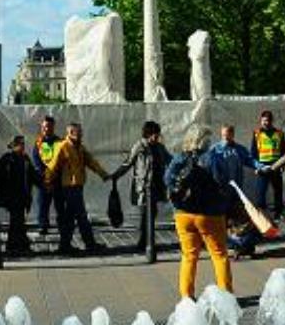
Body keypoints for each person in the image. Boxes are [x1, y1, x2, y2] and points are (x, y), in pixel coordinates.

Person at [165, 126, 231, 298]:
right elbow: (222, 181)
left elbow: (167, 179)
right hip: (209, 214)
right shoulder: (212, 158)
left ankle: (186, 297)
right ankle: (226, 296)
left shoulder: (179, 157)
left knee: (189, 256)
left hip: (182, 214)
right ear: (204, 141)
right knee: (219, 255)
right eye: (208, 139)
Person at [43, 122, 111, 256]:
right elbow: (52, 165)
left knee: (70, 218)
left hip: (78, 186)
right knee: (81, 216)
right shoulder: (63, 146)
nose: (81, 134)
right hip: (69, 187)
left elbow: (91, 162)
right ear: (71, 133)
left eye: (81, 132)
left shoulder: (80, 147)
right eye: (79, 132)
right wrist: (47, 181)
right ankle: (90, 244)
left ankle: (65, 245)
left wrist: (103, 174)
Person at [116, 121, 170, 252]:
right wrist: (115, 175)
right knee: (146, 214)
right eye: (154, 134)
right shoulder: (140, 146)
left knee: (152, 213)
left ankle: (147, 241)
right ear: (148, 134)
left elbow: (170, 159)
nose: (156, 137)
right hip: (144, 186)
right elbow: (128, 162)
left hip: (157, 185)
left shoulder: (159, 147)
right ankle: (145, 242)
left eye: (157, 134)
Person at [206, 124, 259, 257]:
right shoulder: (214, 151)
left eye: (228, 135)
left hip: (236, 192)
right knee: (221, 221)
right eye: (223, 135)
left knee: (238, 221)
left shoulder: (239, 150)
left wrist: (261, 166)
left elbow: (250, 160)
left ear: (232, 134)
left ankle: (240, 246)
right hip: (220, 193)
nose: (226, 138)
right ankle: (224, 246)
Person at [0, 135, 38, 256]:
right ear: (13, 146)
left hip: (23, 195)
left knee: (18, 221)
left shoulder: (25, 159)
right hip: (12, 196)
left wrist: (45, 184)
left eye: (23, 144)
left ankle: (17, 245)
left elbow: (33, 176)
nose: (22, 146)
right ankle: (16, 246)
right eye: (19, 144)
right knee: (16, 221)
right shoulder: (7, 159)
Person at [250, 111, 285, 217]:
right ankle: (262, 214)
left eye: (268, 120)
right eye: (264, 120)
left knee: (278, 191)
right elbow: (253, 152)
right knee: (260, 193)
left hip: (276, 165)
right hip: (262, 166)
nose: (266, 123)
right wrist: (255, 167)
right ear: (261, 121)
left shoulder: (279, 133)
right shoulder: (257, 133)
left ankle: (278, 213)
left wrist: (282, 166)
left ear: (272, 121)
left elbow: (284, 151)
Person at [31, 115, 61, 237]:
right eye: (44, 127)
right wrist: (45, 176)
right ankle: (43, 225)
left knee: (60, 204)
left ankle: (62, 225)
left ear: (53, 127)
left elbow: (61, 159)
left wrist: (54, 174)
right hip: (43, 180)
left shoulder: (58, 141)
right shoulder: (38, 142)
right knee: (43, 204)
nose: (46, 129)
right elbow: (37, 160)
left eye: (48, 126)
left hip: (57, 179)